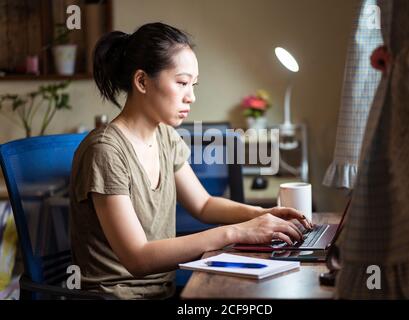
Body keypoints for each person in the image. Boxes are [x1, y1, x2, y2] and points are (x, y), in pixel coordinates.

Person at [69, 22, 312, 300]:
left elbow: (203, 204)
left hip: (163, 292)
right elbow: (137, 258)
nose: (191, 96)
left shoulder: (165, 136)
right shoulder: (105, 151)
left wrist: (261, 214)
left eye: (193, 85)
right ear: (142, 81)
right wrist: (237, 232)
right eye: (182, 83)